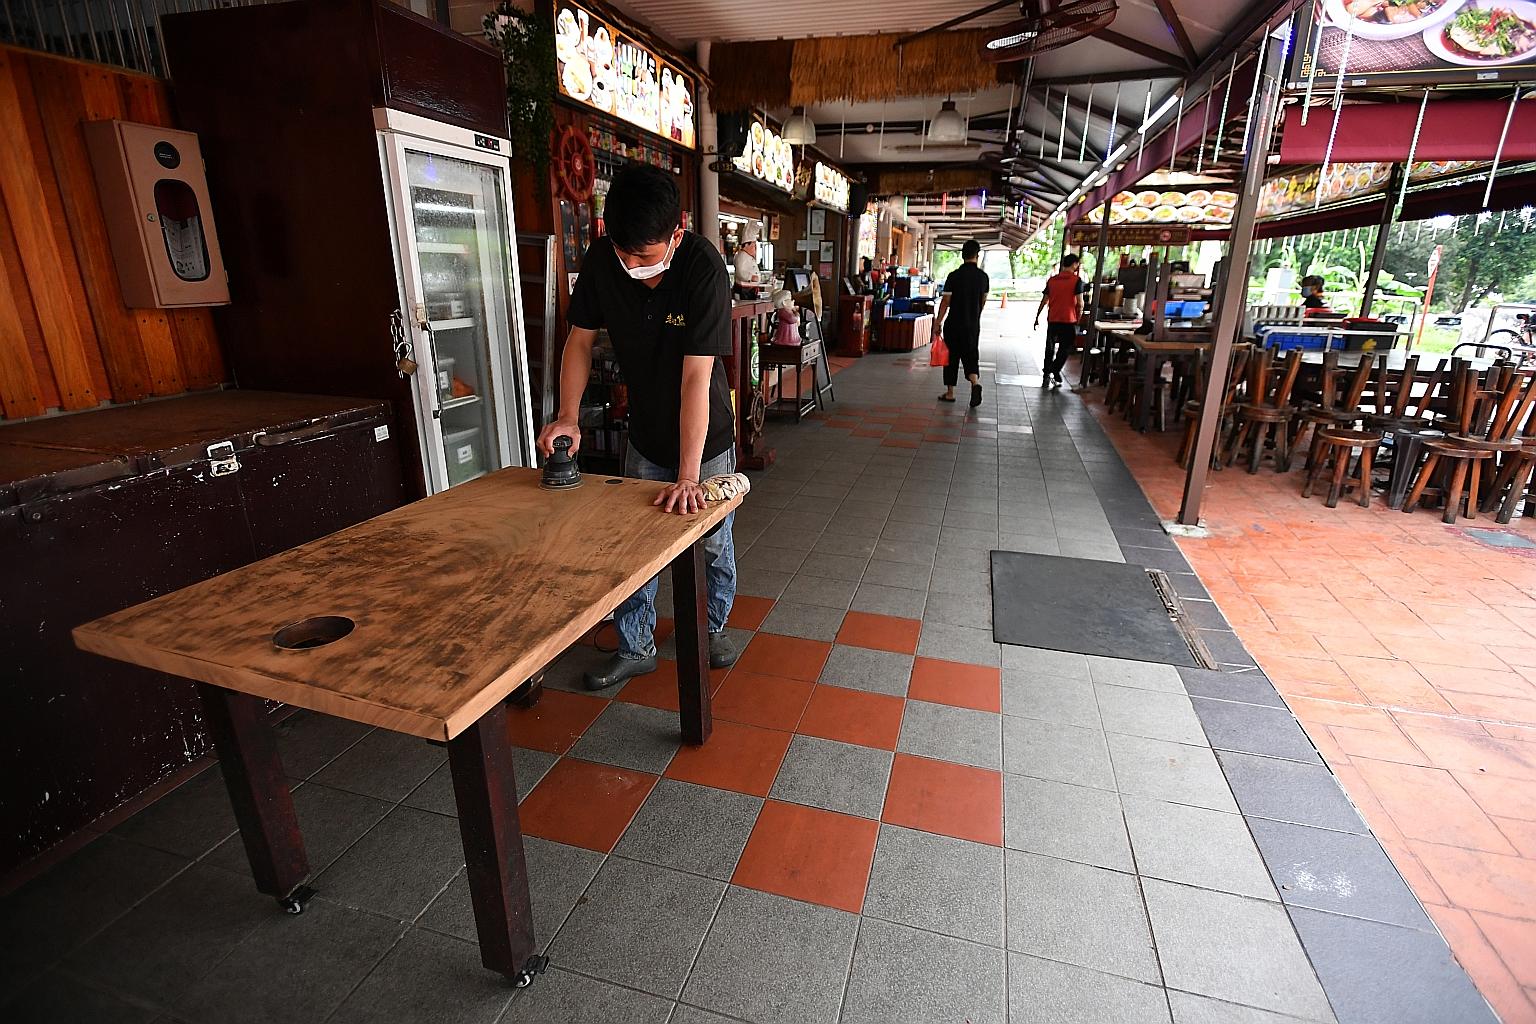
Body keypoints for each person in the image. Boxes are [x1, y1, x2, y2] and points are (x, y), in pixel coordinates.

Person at [538, 164, 740, 690]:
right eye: (623, 252)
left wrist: (690, 476)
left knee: (711, 541)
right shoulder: (605, 260)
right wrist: (567, 415)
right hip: (645, 433)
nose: (631, 264)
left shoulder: (703, 269)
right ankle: (636, 645)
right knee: (632, 546)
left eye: (644, 256)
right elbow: (579, 342)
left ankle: (712, 627)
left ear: (677, 232)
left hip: (706, 438)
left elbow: (697, 379)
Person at [935, 239, 989, 407]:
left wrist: (938, 322)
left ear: (962, 255)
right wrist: (975, 315)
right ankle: (975, 383)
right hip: (972, 325)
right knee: (971, 355)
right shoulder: (983, 277)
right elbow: (983, 301)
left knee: (951, 358)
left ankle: (950, 393)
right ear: (977, 256)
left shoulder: (954, 276)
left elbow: (945, 302)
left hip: (953, 324)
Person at [1036, 253, 1085, 388]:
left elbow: (1044, 300)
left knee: (1050, 348)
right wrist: (1078, 318)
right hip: (1069, 320)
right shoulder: (1076, 281)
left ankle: (1048, 372)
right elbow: (1080, 303)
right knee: (1065, 348)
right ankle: (1055, 369)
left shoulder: (1052, 281)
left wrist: (1037, 316)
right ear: (1074, 264)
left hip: (1053, 319)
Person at [732, 222, 763, 297]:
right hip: (744, 290)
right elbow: (740, 272)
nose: (755, 249)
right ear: (746, 245)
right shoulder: (741, 256)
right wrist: (750, 277)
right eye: (753, 246)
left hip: (751, 288)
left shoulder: (749, 256)